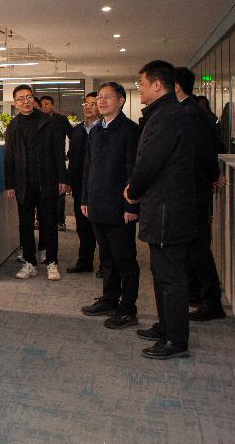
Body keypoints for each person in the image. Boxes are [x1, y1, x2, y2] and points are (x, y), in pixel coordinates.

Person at [124, 60, 196, 360]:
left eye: (142, 84)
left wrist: (133, 190)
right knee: (160, 272)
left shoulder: (167, 117)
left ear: (157, 85)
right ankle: (166, 327)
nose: (139, 89)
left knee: (170, 276)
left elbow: (150, 161)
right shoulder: (163, 114)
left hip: (168, 208)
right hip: (163, 205)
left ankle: (175, 340)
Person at [79, 83, 142, 330]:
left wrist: (131, 206)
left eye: (108, 97)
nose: (102, 101)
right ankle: (109, 299)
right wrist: (85, 198)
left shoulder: (130, 130)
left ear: (121, 101)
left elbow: (133, 171)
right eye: (99, 98)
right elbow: (88, 167)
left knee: (124, 259)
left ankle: (128, 309)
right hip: (96, 204)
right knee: (106, 257)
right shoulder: (96, 130)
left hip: (119, 207)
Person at [174, 67, 226, 321]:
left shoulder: (191, 114)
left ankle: (211, 301)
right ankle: (194, 293)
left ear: (176, 86)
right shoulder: (187, 111)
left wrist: (213, 176)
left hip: (193, 189)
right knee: (190, 246)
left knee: (198, 247)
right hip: (190, 188)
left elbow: (205, 152)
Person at [4, 85, 69, 281]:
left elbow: (58, 152)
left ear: (33, 99)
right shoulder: (13, 126)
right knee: (25, 225)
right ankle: (30, 263)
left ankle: (52, 262)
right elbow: (9, 157)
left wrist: (62, 178)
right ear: (15, 103)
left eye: (28, 97)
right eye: (20, 98)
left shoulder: (48, 122)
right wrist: (10, 184)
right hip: (23, 183)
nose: (25, 101)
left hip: (47, 181)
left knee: (48, 223)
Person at [66, 92, 99, 273]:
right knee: (82, 225)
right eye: (86, 104)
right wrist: (69, 180)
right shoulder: (77, 130)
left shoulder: (104, 128)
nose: (88, 107)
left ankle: (106, 265)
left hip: (99, 185)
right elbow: (73, 157)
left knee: (99, 226)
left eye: (93, 104)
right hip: (80, 184)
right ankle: (85, 261)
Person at [40, 95, 73, 232]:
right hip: (43, 162)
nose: (44, 106)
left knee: (60, 192)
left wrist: (70, 152)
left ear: (52, 105)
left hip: (58, 160)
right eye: (42, 104)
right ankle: (40, 220)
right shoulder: (38, 120)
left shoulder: (61, 120)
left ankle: (60, 220)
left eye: (47, 104)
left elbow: (73, 136)